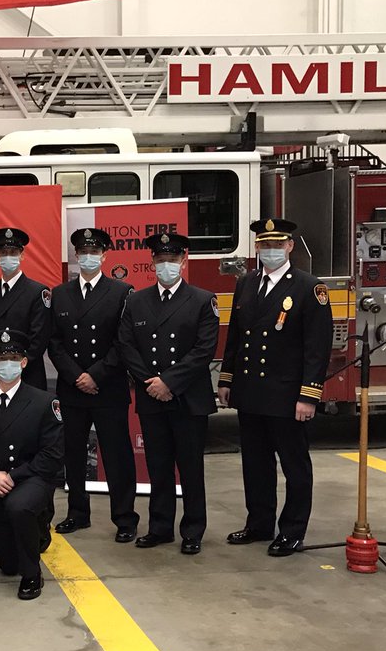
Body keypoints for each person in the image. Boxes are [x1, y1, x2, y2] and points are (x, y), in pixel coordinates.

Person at [219, 218, 334, 557]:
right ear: (256, 248)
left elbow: (317, 348)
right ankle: (259, 523)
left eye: (277, 245)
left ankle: (292, 531)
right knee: (255, 463)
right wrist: (227, 379)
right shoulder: (246, 283)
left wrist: (308, 395)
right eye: (264, 245)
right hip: (251, 391)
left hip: (287, 395)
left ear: (289, 246)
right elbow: (236, 336)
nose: (270, 250)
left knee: (294, 465)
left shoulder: (309, 287)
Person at [116, 232, 218, 555]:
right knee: (158, 467)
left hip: (188, 398)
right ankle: (160, 527)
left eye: (172, 259)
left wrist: (169, 382)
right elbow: (126, 345)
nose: (166, 265)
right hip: (151, 396)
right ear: (152, 263)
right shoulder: (136, 301)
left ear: (183, 262)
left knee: (190, 468)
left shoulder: (203, 299)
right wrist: (151, 382)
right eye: (161, 260)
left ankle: (193, 530)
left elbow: (204, 349)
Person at [48, 228, 140, 542]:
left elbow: (123, 341)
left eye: (94, 252)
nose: (88, 257)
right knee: (73, 454)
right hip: (72, 388)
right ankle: (77, 513)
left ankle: (125, 517)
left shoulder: (122, 292)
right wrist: (77, 376)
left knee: (117, 455)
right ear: (76, 255)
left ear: (104, 256)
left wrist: (96, 375)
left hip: (108, 387)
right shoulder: (60, 293)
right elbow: (54, 342)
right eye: (83, 252)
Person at [0, 329, 64, 600]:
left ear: (24, 362)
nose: (8, 364)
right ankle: (32, 531)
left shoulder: (44, 401)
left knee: (19, 507)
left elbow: (51, 454)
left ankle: (32, 574)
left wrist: (12, 476)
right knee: (7, 565)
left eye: (15, 359)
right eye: (2, 359)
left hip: (31, 477)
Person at [0, 227, 51, 391]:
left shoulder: (37, 292)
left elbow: (38, 341)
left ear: (22, 255)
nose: (8, 257)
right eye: (3, 253)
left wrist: (13, 371)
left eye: (13, 252)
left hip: (28, 377)